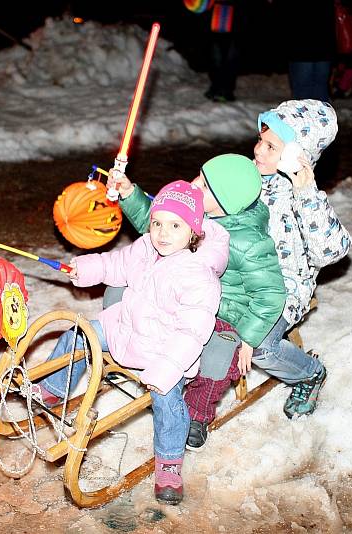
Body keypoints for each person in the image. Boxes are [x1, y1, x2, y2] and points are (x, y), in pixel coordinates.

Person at [35, 180, 230, 505]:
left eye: (175, 225)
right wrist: (84, 268)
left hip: (167, 352)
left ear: (193, 231)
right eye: (157, 223)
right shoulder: (145, 248)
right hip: (126, 330)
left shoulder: (199, 274)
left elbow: (193, 331)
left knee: (167, 399)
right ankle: (55, 388)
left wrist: (167, 367)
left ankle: (169, 462)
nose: (163, 233)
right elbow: (115, 264)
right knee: (79, 333)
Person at [107, 154, 288, 447]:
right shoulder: (196, 212)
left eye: (204, 186)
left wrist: (249, 338)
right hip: (184, 295)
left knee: (217, 357)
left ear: (226, 203)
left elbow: (271, 294)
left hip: (228, 311)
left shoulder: (248, 242)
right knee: (129, 295)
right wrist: (129, 193)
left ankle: (197, 412)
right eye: (199, 176)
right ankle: (132, 349)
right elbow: (156, 223)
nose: (193, 185)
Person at [278, 0, 336, 102]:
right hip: (320, 42)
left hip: (304, 44)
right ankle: (319, 115)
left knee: (306, 89)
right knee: (318, 88)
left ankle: (312, 116)